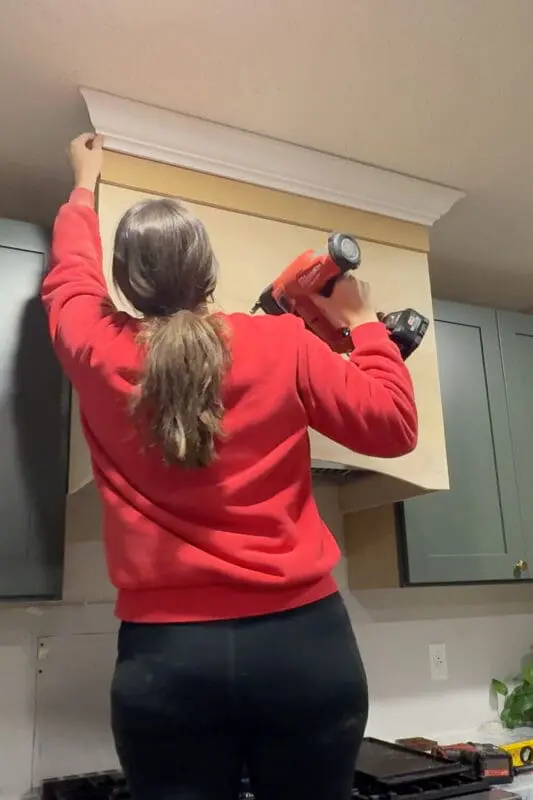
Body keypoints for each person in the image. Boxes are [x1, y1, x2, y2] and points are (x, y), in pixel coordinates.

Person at [42, 133, 418, 800]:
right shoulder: (281, 341)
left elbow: (70, 276)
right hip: (305, 648)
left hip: (166, 661)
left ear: (126, 284)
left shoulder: (95, 349)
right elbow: (391, 426)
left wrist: (82, 184)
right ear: (208, 273)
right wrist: (363, 324)